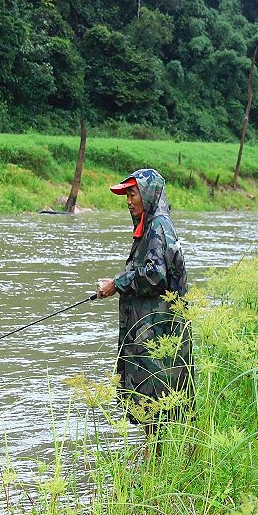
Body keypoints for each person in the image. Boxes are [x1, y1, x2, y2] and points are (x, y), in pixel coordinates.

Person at [96, 168, 192, 447]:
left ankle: (156, 461)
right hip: (151, 327)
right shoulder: (151, 225)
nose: (128, 200)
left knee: (155, 393)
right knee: (152, 395)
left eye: (132, 192)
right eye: (126, 194)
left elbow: (155, 274)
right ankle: (156, 458)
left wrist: (117, 283)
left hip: (159, 328)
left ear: (148, 194)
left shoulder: (158, 226)